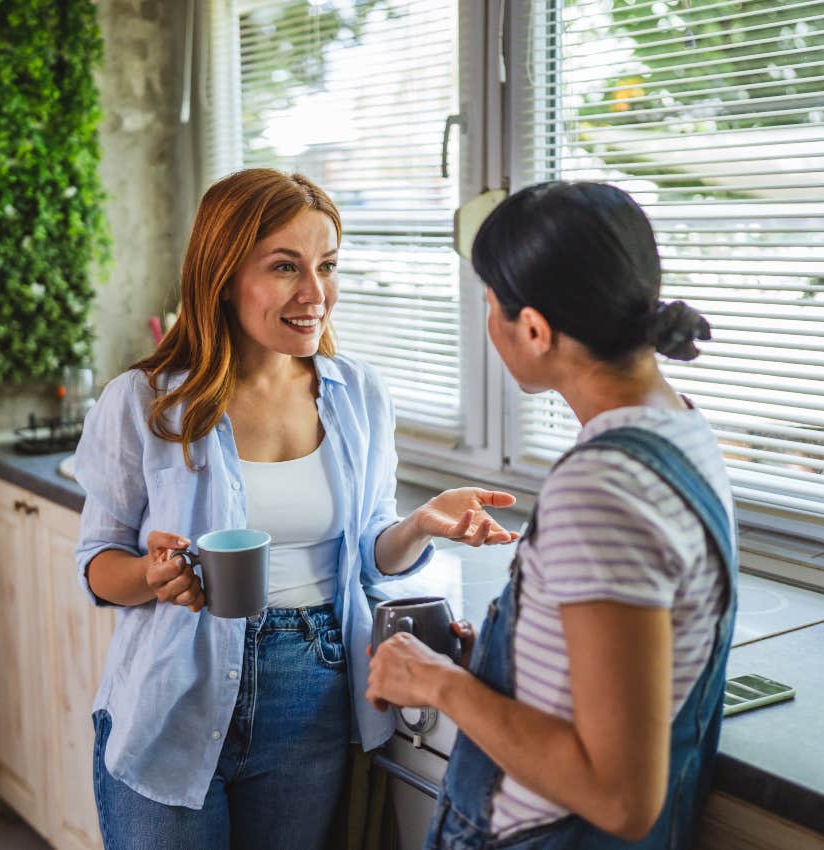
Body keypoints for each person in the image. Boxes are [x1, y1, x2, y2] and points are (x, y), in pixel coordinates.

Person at [74, 168, 519, 850]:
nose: (315, 294)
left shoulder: (358, 394)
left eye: (327, 266)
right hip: (172, 697)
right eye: (286, 267)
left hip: (312, 692)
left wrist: (421, 523)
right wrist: (150, 575)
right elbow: (98, 563)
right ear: (223, 276)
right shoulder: (144, 402)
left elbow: (370, 550)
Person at [366, 181, 737, 849]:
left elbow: (618, 797)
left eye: (490, 306)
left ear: (534, 329)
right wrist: (510, 664)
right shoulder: (680, 429)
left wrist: (441, 683)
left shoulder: (600, 490)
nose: (488, 324)